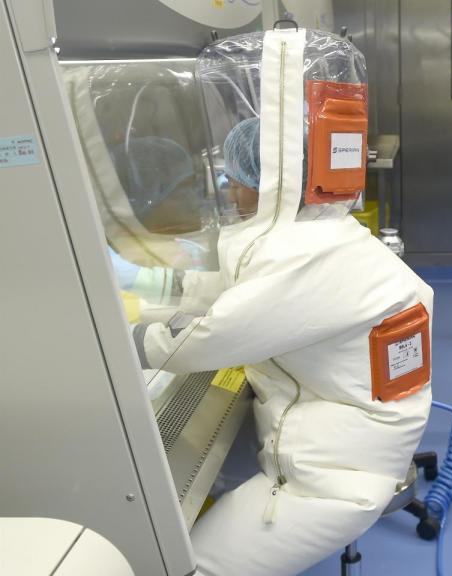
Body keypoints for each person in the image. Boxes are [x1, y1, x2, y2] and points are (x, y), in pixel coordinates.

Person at [132, 28, 434, 575]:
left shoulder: (305, 257)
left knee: (192, 564)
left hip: (336, 477)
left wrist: (129, 338)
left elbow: (214, 336)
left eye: (239, 176)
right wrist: (163, 291)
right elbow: (248, 297)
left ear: (276, 183)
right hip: (348, 450)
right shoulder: (324, 235)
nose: (229, 188)